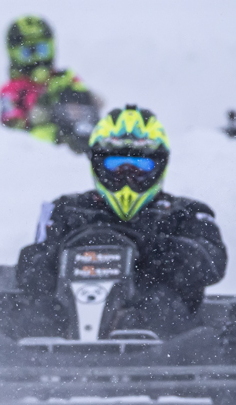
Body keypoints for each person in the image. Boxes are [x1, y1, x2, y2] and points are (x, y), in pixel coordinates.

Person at [16, 105, 227, 336]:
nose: (127, 178)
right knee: (35, 309)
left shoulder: (185, 213)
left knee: (162, 302)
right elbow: (29, 272)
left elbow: (211, 264)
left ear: (159, 166)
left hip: (163, 344)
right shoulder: (67, 210)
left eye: (139, 167)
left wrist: (149, 250)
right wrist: (65, 254)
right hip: (63, 332)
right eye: (115, 166)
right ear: (98, 164)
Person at [0, 16, 100, 152]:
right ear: (14, 54)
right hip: (41, 139)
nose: (37, 59)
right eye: (28, 53)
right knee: (41, 135)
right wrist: (37, 114)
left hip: (80, 129)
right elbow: (10, 119)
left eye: (42, 50)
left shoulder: (64, 77)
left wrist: (77, 96)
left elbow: (89, 100)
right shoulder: (12, 89)